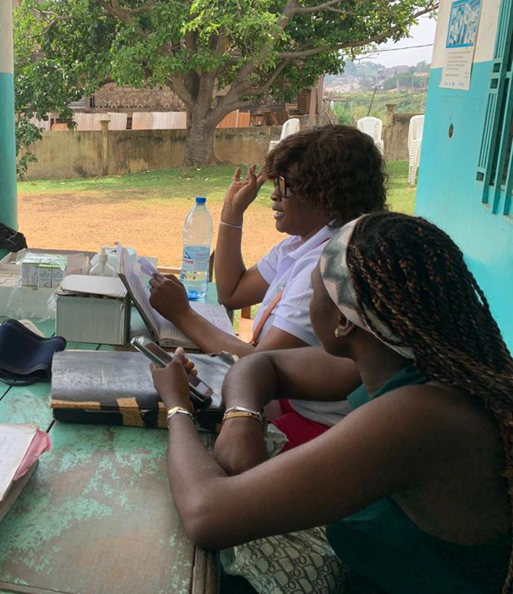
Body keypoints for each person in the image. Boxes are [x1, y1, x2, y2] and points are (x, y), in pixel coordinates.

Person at [152, 213, 512, 592]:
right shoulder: (394, 359)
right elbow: (260, 364)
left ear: (343, 321)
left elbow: (206, 514)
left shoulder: (417, 415)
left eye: (312, 290)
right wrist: (242, 417)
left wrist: (177, 405)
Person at [149, 125, 387, 445]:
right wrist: (232, 213)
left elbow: (257, 366)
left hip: (321, 425)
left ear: (327, 196)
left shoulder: (327, 267)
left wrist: (182, 315)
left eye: (286, 186)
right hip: (291, 404)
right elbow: (232, 292)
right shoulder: (299, 245)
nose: (274, 195)